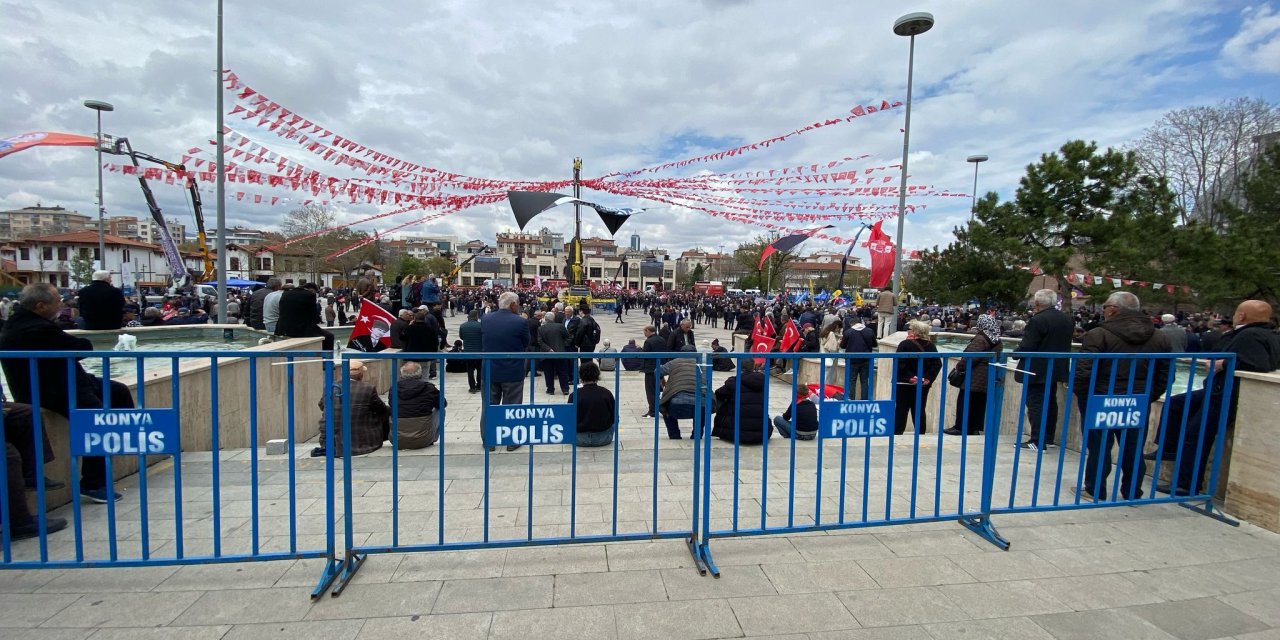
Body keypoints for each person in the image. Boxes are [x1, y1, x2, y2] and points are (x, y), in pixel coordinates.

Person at [0, 283, 128, 503]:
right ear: (40, 306)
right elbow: (80, 347)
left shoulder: (26, 324)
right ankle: (93, 481)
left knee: (118, 391)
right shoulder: (35, 329)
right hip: (54, 389)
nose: (62, 304)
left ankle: (119, 443)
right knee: (94, 418)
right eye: (57, 300)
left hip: (66, 382)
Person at [1161, 300, 1279, 496]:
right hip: (1216, 390)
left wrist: (1223, 364)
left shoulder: (1251, 335)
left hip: (1225, 394)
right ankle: (1168, 449)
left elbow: (1258, 363)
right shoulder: (1263, 334)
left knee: (1196, 435)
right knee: (1176, 403)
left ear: (1241, 315)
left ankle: (1186, 484)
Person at [1072, 292, 1170, 501]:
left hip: (1100, 398)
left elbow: (1083, 371)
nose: (1103, 310)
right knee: (1133, 446)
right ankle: (1133, 491)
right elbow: (1165, 375)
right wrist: (1148, 396)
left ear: (1113, 310)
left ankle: (1095, 489)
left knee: (1099, 447)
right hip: (1136, 400)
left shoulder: (1098, 334)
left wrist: (1084, 397)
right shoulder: (1159, 337)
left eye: (1105, 306)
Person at [1013, 289, 1074, 450]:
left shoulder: (1038, 320)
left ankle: (1037, 441)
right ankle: (1047, 438)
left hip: (1036, 370)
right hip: (1056, 368)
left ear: (1038, 304)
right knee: (1050, 402)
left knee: (1036, 403)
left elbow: (1028, 345)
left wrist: (1016, 353)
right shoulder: (1067, 319)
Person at [481, 291, 531, 451]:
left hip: (489, 370)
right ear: (513, 305)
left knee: (489, 406)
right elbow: (526, 342)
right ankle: (511, 440)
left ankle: (489, 441)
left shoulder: (486, 319)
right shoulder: (520, 322)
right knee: (513, 407)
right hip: (512, 370)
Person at [313, 359, 389, 457]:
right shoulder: (368, 388)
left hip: (330, 443)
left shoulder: (331, 387)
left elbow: (322, 406)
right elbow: (381, 410)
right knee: (386, 412)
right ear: (361, 374)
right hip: (361, 444)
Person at [945, 314, 1002, 436]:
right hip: (986, 378)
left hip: (973, 378)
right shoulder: (997, 339)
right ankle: (974, 428)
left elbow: (970, 357)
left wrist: (960, 367)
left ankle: (960, 427)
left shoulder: (981, 338)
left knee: (965, 402)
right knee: (978, 404)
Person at [893, 320, 942, 435]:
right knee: (919, 409)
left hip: (904, 383)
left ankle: (897, 433)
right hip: (923, 384)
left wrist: (910, 378)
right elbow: (937, 364)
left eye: (909, 329)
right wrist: (927, 378)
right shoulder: (931, 345)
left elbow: (899, 363)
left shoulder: (904, 344)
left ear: (914, 331)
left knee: (901, 409)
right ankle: (920, 434)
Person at [711, 359, 770, 444]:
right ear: (753, 367)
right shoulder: (762, 382)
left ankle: (719, 426)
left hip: (736, 433)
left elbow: (718, 393)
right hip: (761, 433)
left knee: (721, 398)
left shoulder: (734, 382)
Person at [393, 361, 444, 449]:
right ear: (420, 375)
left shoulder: (394, 389)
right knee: (440, 409)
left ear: (401, 376)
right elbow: (443, 404)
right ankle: (433, 437)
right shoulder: (429, 388)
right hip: (424, 439)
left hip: (397, 440)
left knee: (393, 409)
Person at [275, 282, 335, 351]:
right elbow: (314, 316)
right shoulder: (309, 295)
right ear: (311, 290)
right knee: (329, 337)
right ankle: (326, 360)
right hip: (299, 330)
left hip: (281, 329)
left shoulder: (286, 294)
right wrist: (318, 318)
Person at [658, 346, 701, 439]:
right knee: (702, 408)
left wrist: (663, 384)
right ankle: (697, 435)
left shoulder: (675, 362)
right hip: (701, 400)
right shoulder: (702, 363)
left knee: (665, 404)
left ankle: (674, 435)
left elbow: (657, 371)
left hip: (677, 399)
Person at [568, 361, 616, 447]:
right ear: (597, 375)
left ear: (581, 376)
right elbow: (614, 416)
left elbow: (568, 418)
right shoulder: (606, 393)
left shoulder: (574, 395)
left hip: (579, 438)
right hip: (603, 438)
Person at [840, 319, 876, 399]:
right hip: (866, 359)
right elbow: (875, 344)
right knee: (864, 381)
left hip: (851, 360)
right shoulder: (869, 331)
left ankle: (851, 400)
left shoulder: (848, 332)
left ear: (852, 324)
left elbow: (842, 346)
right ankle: (864, 401)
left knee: (851, 381)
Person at [538, 313, 572, 396]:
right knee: (562, 372)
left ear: (545, 319)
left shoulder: (541, 328)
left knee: (548, 372)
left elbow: (540, 341)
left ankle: (550, 389)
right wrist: (563, 345)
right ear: (553, 318)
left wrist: (548, 349)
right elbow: (569, 337)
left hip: (547, 354)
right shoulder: (560, 326)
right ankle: (565, 389)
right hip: (560, 353)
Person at [402, 308, 442, 378]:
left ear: (414, 319)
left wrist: (409, 325)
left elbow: (402, 338)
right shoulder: (430, 329)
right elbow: (435, 342)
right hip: (426, 355)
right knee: (425, 374)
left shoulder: (410, 328)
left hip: (412, 355)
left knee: (412, 374)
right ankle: (424, 387)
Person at [641, 325, 665, 417]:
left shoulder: (648, 341)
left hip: (650, 369)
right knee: (659, 389)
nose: (644, 334)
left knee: (650, 391)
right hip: (660, 368)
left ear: (648, 331)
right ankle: (662, 407)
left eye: (644, 332)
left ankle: (653, 410)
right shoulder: (661, 339)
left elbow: (644, 355)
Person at [458, 309, 484, 393]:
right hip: (479, 351)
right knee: (480, 369)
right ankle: (479, 386)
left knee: (470, 370)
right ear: (476, 316)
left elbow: (462, 337)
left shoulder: (463, 326)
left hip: (468, 351)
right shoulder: (481, 326)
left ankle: (472, 387)